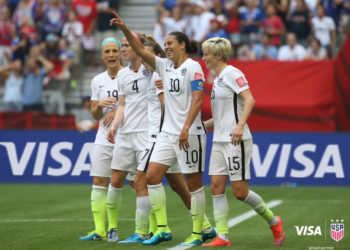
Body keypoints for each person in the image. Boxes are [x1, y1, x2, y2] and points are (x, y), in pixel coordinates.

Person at [110, 12, 211, 247]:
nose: (166, 48)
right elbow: (141, 49)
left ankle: (199, 232)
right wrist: (125, 30)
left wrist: (186, 127)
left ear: (182, 45)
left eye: (170, 44)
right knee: (151, 177)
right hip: (167, 134)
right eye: (164, 44)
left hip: (190, 134)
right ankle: (163, 230)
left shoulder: (193, 67)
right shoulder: (164, 67)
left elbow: (198, 100)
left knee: (194, 185)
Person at [200, 37, 285, 247]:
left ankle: (274, 221)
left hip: (236, 140)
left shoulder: (232, 73)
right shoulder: (218, 78)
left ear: (219, 55)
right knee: (216, 187)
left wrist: (239, 126)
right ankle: (223, 236)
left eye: (207, 54)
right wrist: (202, 126)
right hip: (219, 140)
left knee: (240, 192)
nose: (204, 58)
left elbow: (250, 99)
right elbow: (223, 115)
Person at [79, 37, 135, 241]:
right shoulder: (97, 80)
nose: (111, 54)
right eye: (107, 52)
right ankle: (102, 230)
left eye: (114, 50)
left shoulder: (129, 76)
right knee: (99, 181)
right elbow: (94, 116)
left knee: (136, 183)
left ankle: (152, 227)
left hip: (128, 137)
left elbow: (138, 105)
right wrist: (100, 106)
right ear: (102, 56)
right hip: (103, 138)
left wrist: (120, 111)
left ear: (121, 53)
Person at [105, 32, 152, 242]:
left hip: (145, 134)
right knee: (115, 180)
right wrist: (114, 127)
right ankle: (112, 229)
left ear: (136, 46)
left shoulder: (150, 69)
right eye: (122, 45)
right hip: (125, 134)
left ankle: (142, 230)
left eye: (126, 45)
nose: (123, 49)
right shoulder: (123, 75)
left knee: (141, 183)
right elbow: (122, 105)